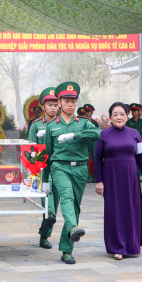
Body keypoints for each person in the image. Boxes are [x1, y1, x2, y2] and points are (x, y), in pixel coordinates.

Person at [43, 81, 100, 264]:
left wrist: (75, 135)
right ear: (59, 102)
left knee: (74, 207)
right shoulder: (51, 126)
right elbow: (47, 155)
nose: (70, 104)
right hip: (59, 167)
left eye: (73, 100)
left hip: (81, 168)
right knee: (66, 196)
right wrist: (45, 179)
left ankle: (67, 250)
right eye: (66, 100)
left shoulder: (84, 123)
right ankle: (74, 227)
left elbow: (96, 135)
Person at [94, 102, 142, 260]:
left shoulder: (134, 134)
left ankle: (132, 245)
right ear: (110, 117)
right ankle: (117, 247)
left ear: (127, 116)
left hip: (131, 179)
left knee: (131, 210)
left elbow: (141, 157)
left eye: (122, 114)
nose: (119, 117)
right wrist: (99, 182)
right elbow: (98, 160)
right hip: (111, 179)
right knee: (115, 211)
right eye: (115, 114)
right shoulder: (103, 135)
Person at [28, 87, 60, 250]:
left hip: (59, 165)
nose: (53, 108)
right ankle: (50, 216)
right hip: (42, 166)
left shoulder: (62, 123)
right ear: (43, 107)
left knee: (55, 199)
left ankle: (44, 235)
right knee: (47, 198)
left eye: (56, 105)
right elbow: (30, 149)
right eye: (50, 105)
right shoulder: (35, 126)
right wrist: (35, 170)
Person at [84, 104, 100, 183]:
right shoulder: (83, 122)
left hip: (93, 142)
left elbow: (97, 133)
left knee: (95, 159)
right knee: (86, 159)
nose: (87, 113)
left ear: (92, 113)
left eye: (89, 112)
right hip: (86, 142)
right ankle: (87, 177)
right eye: (86, 112)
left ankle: (95, 176)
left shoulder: (95, 123)